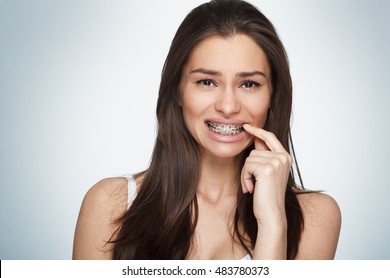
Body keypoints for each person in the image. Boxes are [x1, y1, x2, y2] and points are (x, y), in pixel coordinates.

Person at [73, 0, 341, 260]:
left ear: (272, 96)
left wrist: (272, 222)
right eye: (207, 82)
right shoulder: (110, 204)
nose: (228, 106)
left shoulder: (315, 218)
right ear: (177, 91)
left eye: (248, 84)